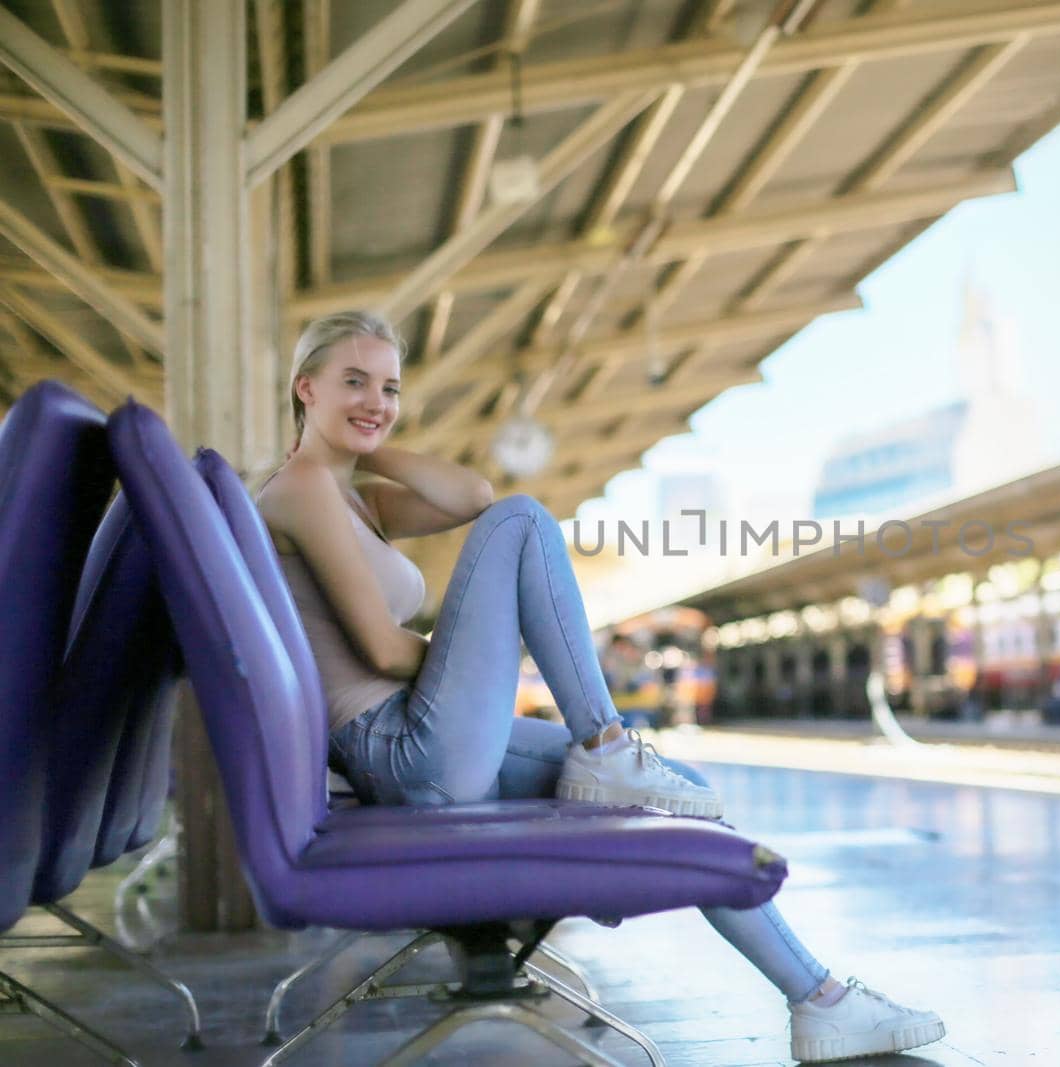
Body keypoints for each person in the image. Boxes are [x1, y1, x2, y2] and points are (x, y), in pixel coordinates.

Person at [254, 310, 944, 1063]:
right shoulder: (303, 487)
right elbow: (386, 650)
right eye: (352, 381)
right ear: (304, 386)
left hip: (415, 739)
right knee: (523, 523)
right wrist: (470, 666)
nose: (376, 398)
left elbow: (471, 491)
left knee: (675, 788)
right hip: (401, 746)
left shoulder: (353, 493)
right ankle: (606, 740)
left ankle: (820, 999)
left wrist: (371, 440)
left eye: (389, 386)